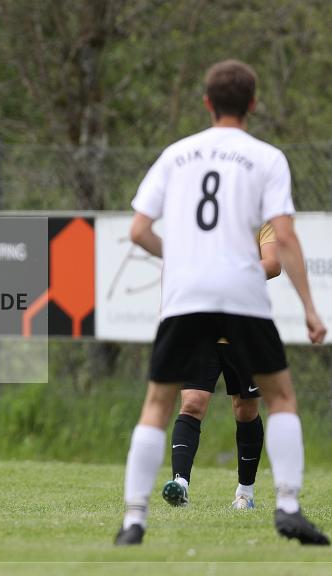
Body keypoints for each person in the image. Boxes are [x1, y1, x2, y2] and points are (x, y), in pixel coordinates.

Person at [115, 59, 328, 546]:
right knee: (281, 398)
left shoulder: (176, 155)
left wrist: (187, 258)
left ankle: (134, 520)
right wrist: (311, 308)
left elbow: (138, 230)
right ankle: (289, 508)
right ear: (253, 105)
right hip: (242, 297)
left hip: (187, 297)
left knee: (155, 404)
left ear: (207, 103)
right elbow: (287, 238)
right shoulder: (267, 158)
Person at [162, 223, 280, 509]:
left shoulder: (260, 217)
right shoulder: (203, 216)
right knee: (192, 402)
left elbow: (274, 264)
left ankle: (245, 494)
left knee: (245, 409)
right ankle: (180, 484)